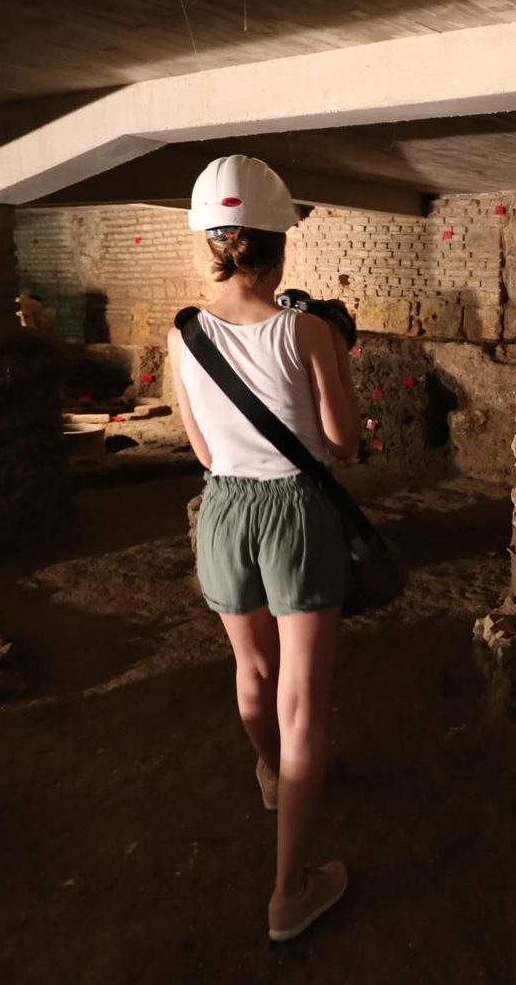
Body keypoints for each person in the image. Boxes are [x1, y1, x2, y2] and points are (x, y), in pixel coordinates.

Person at [167, 155, 359, 942]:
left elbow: (207, 455)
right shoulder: (305, 329)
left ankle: (274, 775)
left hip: (223, 512)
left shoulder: (183, 332)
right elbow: (343, 444)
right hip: (297, 511)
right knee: (304, 699)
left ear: (210, 242)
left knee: (252, 671)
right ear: (280, 243)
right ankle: (290, 892)